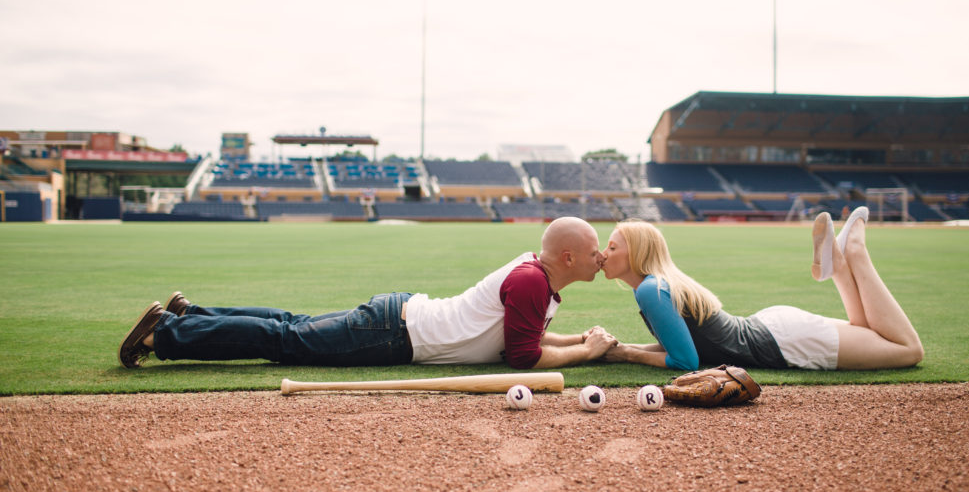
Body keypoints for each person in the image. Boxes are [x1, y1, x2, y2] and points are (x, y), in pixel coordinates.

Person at [119, 216, 618, 370]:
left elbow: (520, 340)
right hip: (395, 334)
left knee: (291, 326)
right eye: (595, 249)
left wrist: (580, 341)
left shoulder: (539, 279)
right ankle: (165, 335)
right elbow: (522, 358)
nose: (601, 257)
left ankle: (192, 315)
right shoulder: (533, 282)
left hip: (398, 321)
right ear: (569, 257)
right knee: (286, 342)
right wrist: (585, 352)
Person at [599, 209, 924, 371]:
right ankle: (838, 268)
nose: (604, 254)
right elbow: (678, 345)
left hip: (785, 342)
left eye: (612, 247)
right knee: (868, 333)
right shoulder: (655, 287)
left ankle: (855, 254)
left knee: (908, 350)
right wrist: (620, 347)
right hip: (777, 330)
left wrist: (626, 353)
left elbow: (686, 361)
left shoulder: (650, 291)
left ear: (637, 254)